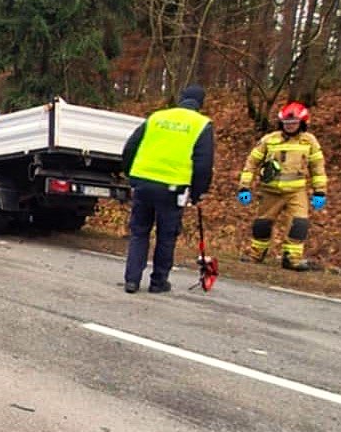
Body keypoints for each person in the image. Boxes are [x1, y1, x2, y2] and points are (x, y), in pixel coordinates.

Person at [120, 84, 215, 294]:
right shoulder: (202, 124)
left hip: (143, 182)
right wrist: (198, 193)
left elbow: (131, 146)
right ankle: (158, 282)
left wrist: (130, 174)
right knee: (166, 235)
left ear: (181, 98)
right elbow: (203, 163)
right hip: (172, 189)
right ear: (201, 103)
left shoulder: (157, 117)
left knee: (139, 232)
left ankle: (132, 280)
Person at [237, 101, 328, 271]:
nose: (290, 126)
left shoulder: (309, 142)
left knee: (299, 224)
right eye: (287, 123)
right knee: (262, 224)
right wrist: (244, 187)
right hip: (270, 191)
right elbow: (251, 163)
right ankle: (256, 255)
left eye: (294, 123)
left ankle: (291, 259)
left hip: (296, 191)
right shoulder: (269, 140)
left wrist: (320, 192)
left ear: (302, 123)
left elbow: (317, 168)